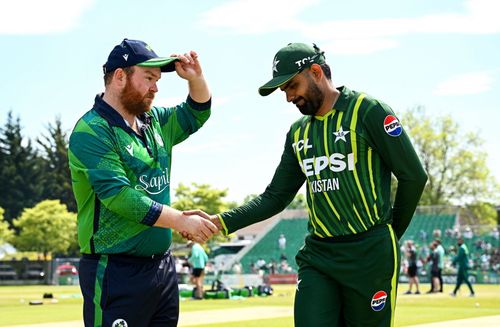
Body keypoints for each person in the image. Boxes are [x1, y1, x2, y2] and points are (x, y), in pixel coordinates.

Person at [192, 42, 427, 326]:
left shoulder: (368, 112)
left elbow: (414, 176)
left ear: (316, 72)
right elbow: (276, 197)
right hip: (319, 256)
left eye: (292, 85)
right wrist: (220, 222)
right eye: (284, 90)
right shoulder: (298, 132)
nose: (289, 97)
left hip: (370, 255)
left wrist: (389, 234)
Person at [69, 38, 217, 327]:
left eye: (158, 79)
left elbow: (198, 112)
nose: (156, 87)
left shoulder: (154, 122)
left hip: (162, 267)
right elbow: (120, 197)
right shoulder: (92, 130)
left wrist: (196, 78)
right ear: (120, 76)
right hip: (114, 270)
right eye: (148, 78)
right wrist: (180, 221)